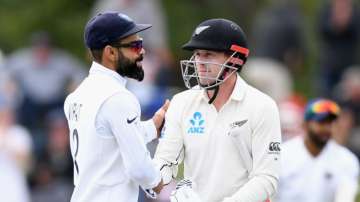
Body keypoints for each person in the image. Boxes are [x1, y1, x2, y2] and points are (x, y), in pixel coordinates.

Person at [154, 18, 281, 202]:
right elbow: (165, 162)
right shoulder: (181, 103)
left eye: (209, 55)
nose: (200, 62)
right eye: (197, 54)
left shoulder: (262, 106)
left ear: (235, 59)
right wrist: (148, 173)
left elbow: (267, 178)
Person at [63, 12, 169, 202]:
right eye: (135, 46)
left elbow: (112, 140)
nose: (142, 52)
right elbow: (139, 168)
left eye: (141, 43)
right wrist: (158, 181)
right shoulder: (118, 98)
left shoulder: (77, 95)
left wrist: (153, 126)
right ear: (110, 52)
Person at [276, 98, 359, 202]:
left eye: (330, 123)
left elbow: (345, 197)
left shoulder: (347, 160)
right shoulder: (281, 156)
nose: (327, 128)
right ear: (305, 124)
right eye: (321, 122)